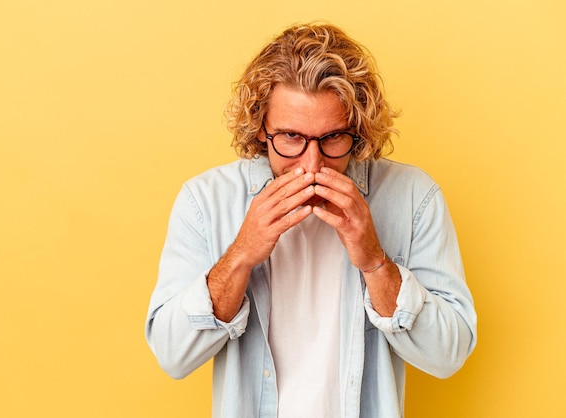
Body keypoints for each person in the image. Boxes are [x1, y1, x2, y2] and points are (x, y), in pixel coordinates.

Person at [145, 23, 477, 418]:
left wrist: (374, 261)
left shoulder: (413, 198)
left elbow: (448, 355)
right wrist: (241, 255)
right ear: (260, 130)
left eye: (333, 138)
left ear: (359, 129)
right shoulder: (205, 201)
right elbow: (172, 355)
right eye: (290, 137)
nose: (311, 164)